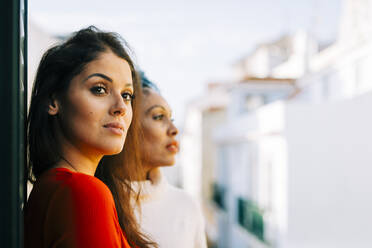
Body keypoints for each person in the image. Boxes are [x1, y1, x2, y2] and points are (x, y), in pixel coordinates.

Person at [24, 26, 152, 248]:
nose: (121, 107)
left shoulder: (55, 189)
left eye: (127, 95)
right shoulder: (82, 194)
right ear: (54, 101)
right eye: (100, 89)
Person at [129, 72, 207, 248]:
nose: (174, 129)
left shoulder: (187, 207)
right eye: (158, 117)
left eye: (171, 118)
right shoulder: (97, 202)